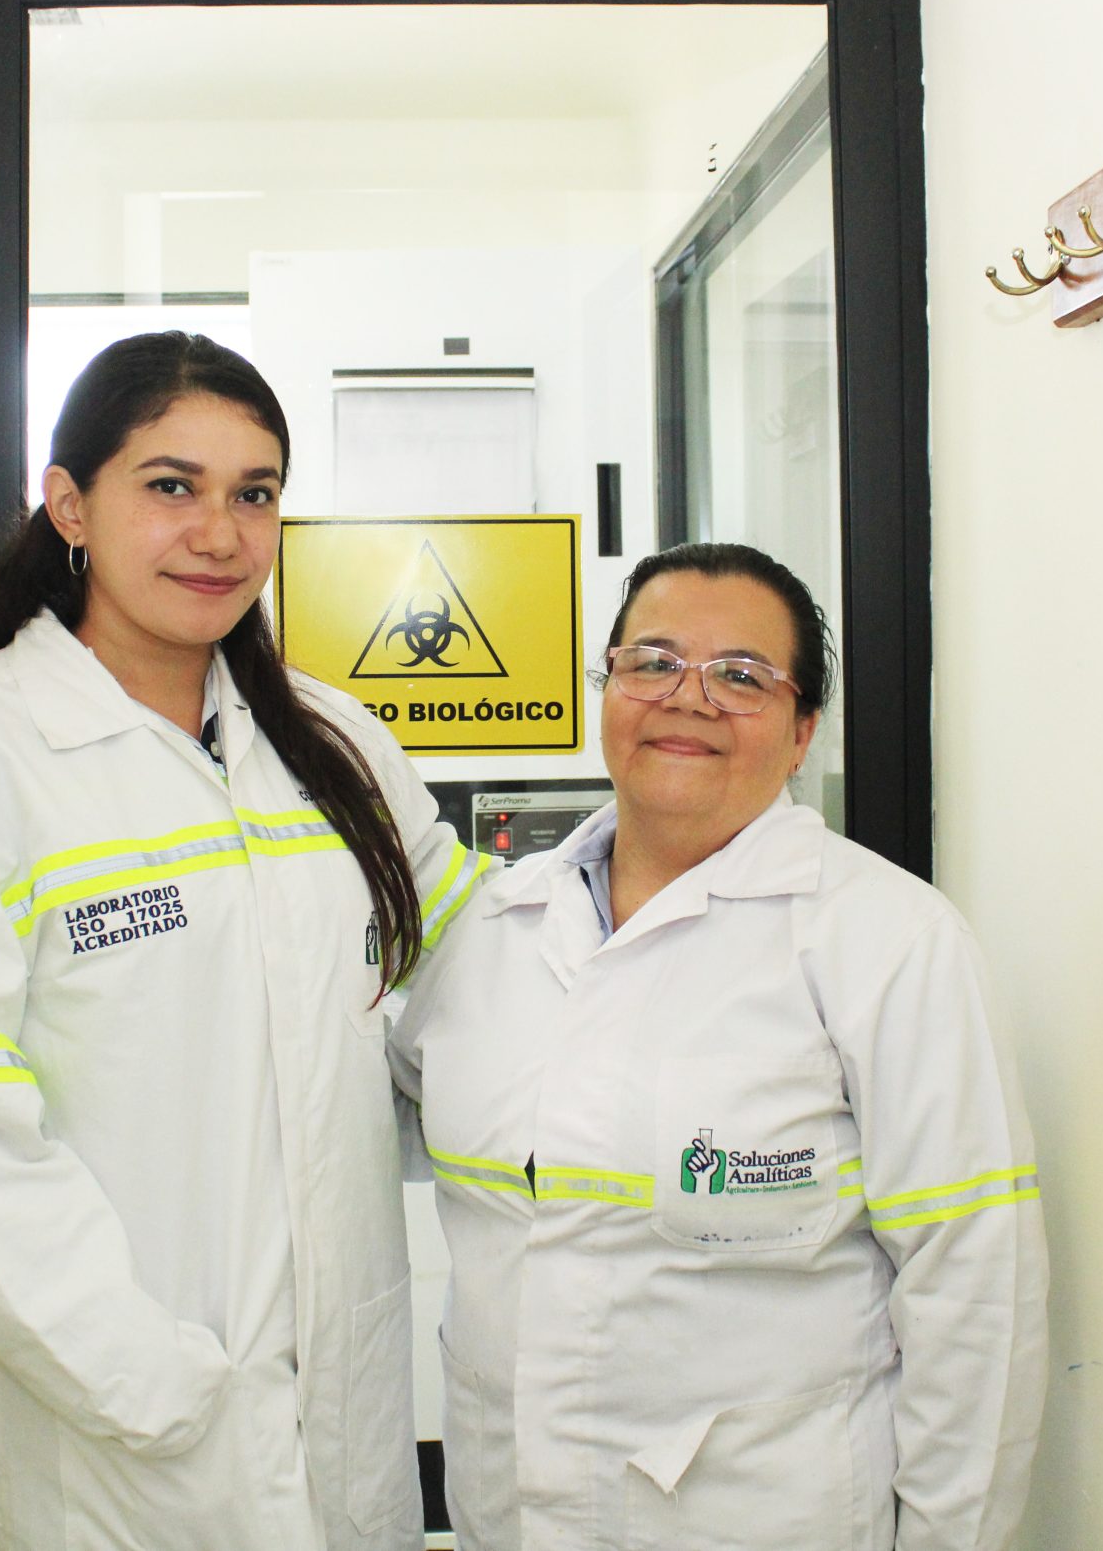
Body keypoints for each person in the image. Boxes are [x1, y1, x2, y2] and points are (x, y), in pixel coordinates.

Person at [0, 332, 490, 1551]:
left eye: (254, 494)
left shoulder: (332, 744)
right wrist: (150, 1384)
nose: (219, 534)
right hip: (132, 1435)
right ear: (69, 504)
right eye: (171, 486)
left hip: (348, 1412)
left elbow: (477, 979)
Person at [388, 542, 1048, 1551]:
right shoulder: (490, 931)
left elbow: (975, 1296)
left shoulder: (887, 942)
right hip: (511, 1518)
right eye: (652, 662)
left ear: (803, 731)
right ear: (606, 689)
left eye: (741, 676)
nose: (686, 698)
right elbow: (386, 1119)